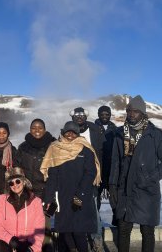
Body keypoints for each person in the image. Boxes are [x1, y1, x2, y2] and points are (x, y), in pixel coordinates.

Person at [109, 95, 162, 252]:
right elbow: (115, 161)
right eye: (129, 111)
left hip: (146, 190)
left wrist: (149, 178)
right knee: (123, 229)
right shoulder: (120, 134)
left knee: (147, 231)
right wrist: (112, 184)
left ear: (143, 114)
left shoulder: (155, 134)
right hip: (124, 189)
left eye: (135, 111)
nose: (131, 114)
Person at [41, 121, 101, 252]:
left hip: (80, 197)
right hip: (62, 196)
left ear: (78, 134)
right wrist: (49, 198)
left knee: (79, 233)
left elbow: (90, 173)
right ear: (62, 133)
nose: (70, 134)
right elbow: (52, 175)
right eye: (67, 131)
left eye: (73, 132)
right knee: (64, 232)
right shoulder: (55, 148)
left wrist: (80, 194)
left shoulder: (86, 149)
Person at [70, 107, 105, 252]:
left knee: (93, 211)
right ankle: (79, 240)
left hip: (92, 178)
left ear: (86, 116)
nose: (79, 117)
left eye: (82, 115)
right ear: (72, 117)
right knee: (75, 210)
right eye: (76, 115)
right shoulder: (68, 131)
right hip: (73, 179)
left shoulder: (95, 131)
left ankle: (96, 241)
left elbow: (103, 153)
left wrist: (104, 177)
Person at [0, 167, 46, 252]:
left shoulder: (36, 202)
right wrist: (12, 241)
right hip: (7, 243)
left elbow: (39, 230)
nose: (15, 185)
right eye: (11, 183)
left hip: (27, 245)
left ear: (23, 182)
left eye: (17, 181)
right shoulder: (2, 200)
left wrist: (32, 249)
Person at [16, 119, 56, 199]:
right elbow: (17, 167)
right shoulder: (23, 147)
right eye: (34, 128)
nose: (37, 130)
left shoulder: (53, 146)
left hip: (46, 191)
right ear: (30, 130)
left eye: (40, 128)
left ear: (44, 130)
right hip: (26, 191)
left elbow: (57, 171)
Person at [94, 105, 118, 226]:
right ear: (98, 115)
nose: (104, 117)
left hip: (111, 167)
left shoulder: (115, 129)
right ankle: (96, 220)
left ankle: (116, 219)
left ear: (110, 115)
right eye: (102, 114)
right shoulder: (92, 128)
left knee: (113, 194)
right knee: (96, 195)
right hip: (97, 166)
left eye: (107, 114)